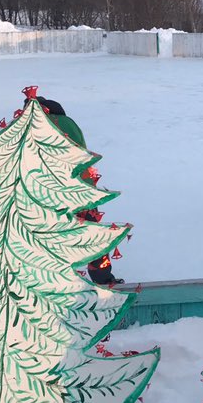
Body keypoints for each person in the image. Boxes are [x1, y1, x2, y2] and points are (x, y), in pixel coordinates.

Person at [36, 95, 124, 285]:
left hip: (41, 193)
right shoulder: (68, 124)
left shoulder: (30, 125)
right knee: (92, 237)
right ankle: (103, 280)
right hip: (79, 191)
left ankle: (50, 280)